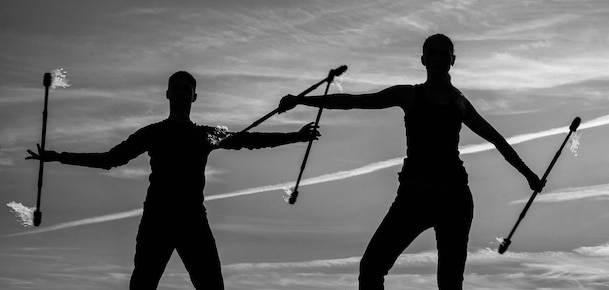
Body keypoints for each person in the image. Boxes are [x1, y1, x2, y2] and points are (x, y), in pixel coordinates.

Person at [279, 34, 545, 290]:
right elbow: (355, 101)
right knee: (371, 268)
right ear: (423, 60)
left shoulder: (460, 103)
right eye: (433, 53)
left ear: (453, 60)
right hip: (414, 195)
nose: (438, 58)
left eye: (444, 53)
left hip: (454, 198)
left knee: (450, 284)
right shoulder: (408, 95)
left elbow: (497, 140)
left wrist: (529, 175)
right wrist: (301, 100)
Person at [26, 71, 320, 290]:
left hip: (193, 219)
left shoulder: (206, 134)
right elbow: (110, 159)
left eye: (186, 89)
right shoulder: (153, 133)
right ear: (167, 95)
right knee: (142, 285)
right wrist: (58, 156)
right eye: (175, 88)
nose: (180, 93)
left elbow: (249, 140)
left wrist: (295, 136)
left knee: (212, 286)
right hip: (158, 219)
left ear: (194, 96)